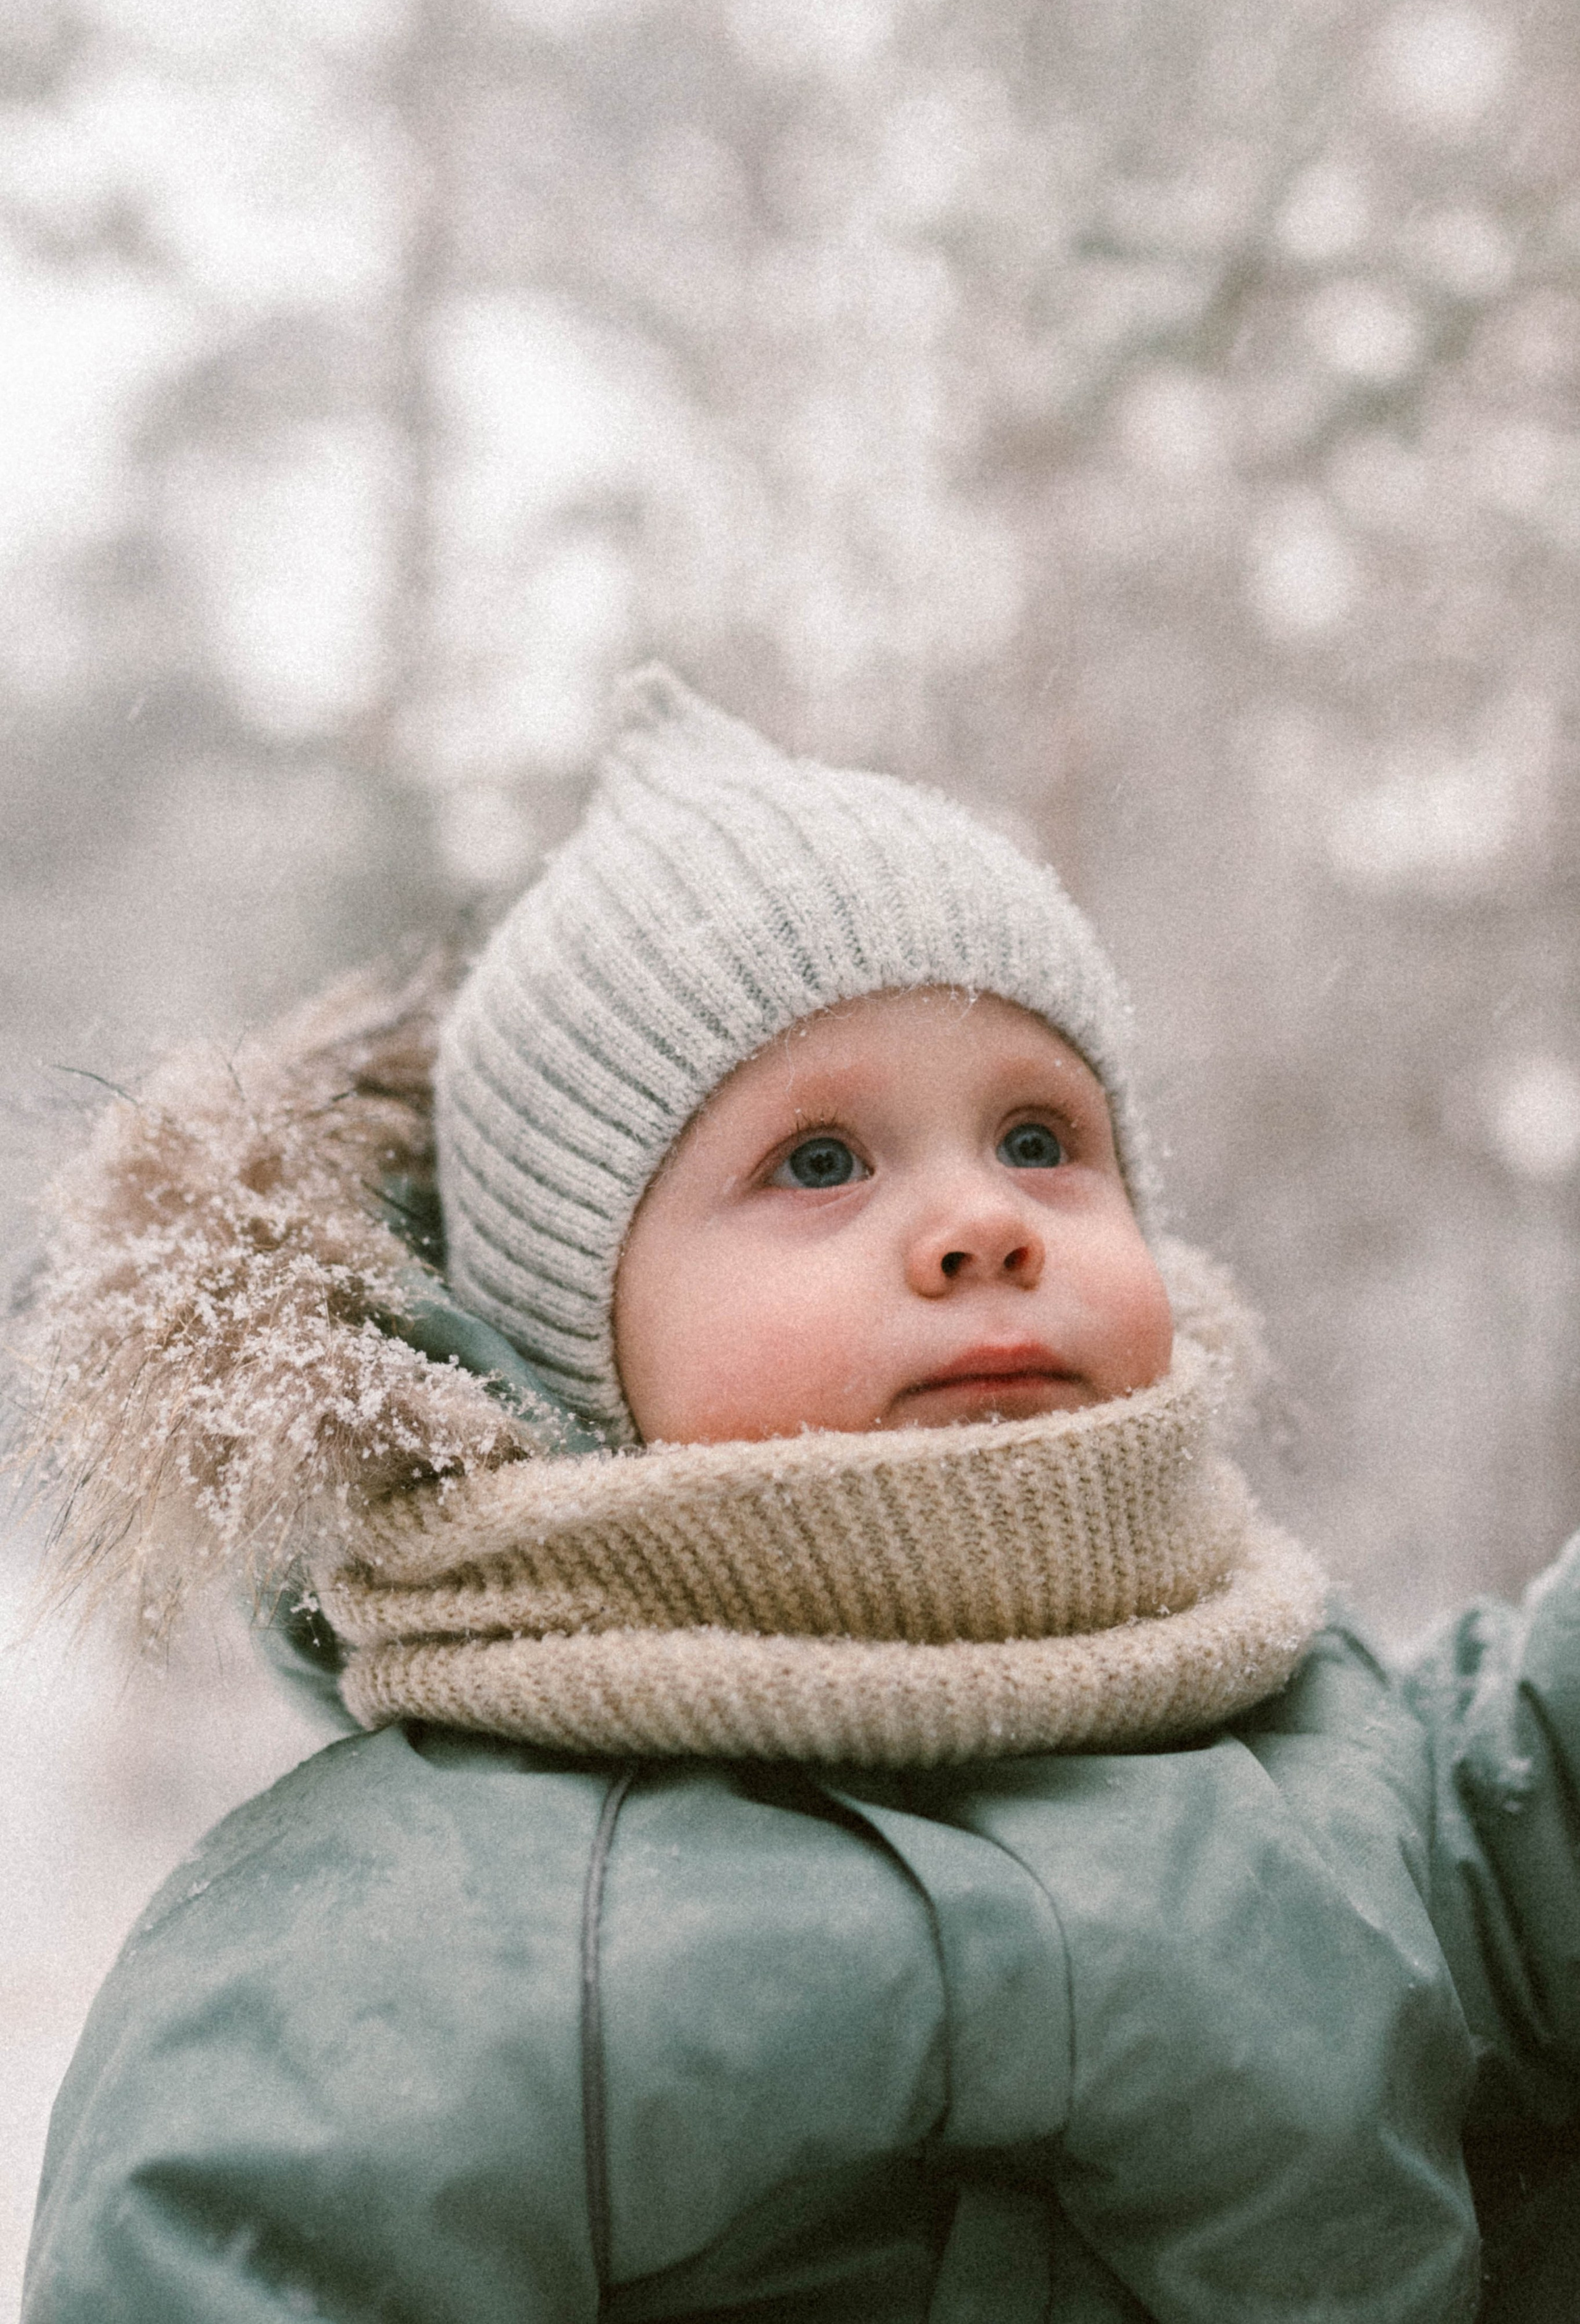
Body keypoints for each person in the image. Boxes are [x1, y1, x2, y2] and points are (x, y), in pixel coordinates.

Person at [18, 669, 1580, 2322]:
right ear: (583, 1342)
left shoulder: (1345, 1758)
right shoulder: (401, 1929)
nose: (984, 1223)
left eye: (1044, 1137)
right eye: (819, 1164)